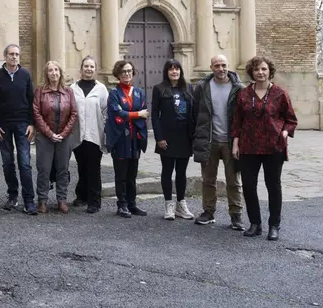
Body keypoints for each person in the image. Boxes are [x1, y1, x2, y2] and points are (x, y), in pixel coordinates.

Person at [232, 56, 297, 241]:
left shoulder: (280, 93)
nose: (260, 73)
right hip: (248, 146)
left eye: (263, 69)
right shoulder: (243, 94)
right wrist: (235, 143)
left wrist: (284, 133)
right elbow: (237, 121)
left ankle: (274, 225)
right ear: (251, 72)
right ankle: (255, 223)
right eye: (256, 70)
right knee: (249, 186)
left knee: (273, 186)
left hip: (273, 147)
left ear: (269, 71)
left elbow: (291, 120)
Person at [192, 54, 245, 230]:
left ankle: (236, 216)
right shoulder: (203, 87)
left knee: (234, 181)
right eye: (217, 65)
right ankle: (208, 211)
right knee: (208, 179)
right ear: (211, 67)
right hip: (210, 140)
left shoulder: (239, 88)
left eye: (223, 65)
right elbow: (196, 114)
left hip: (231, 141)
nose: (220, 69)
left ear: (228, 66)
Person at [0, 44, 37, 215]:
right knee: (7, 162)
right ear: (5, 56)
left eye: (17, 54)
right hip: (3, 126)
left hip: (23, 124)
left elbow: (32, 100)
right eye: (11, 54)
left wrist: (32, 123)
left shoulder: (25, 75)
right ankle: (12, 195)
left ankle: (29, 200)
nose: (14, 57)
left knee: (24, 163)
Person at [152, 59, 195, 220]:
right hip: (167, 136)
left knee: (182, 172)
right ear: (166, 72)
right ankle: (168, 204)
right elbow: (155, 115)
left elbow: (194, 112)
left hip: (185, 135)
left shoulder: (189, 88)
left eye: (177, 69)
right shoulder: (159, 89)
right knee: (167, 170)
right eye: (171, 69)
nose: (174, 72)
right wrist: (159, 137)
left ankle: (181, 204)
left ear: (181, 71)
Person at [104, 60, 149, 218]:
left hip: (134, 138)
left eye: (129, 71)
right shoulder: (114, 93)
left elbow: (144, 112)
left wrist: (129, 115)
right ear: (118, 74)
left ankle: (132, 204)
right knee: (121, 174)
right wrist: (136, 114)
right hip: (120, 139)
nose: (127, 74)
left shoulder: (138, 93)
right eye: (123, 71)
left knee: (132, 174)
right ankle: (121, 205)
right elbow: (117, 113)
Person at [33, 61, 78, 214]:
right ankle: (42, 200)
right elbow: (36, 113)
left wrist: (63, 134)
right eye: (50, 70)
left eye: (56, 70)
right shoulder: (40, 91)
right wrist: (50, 134)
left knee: (63, 169)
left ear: (60, 72)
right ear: (46, 74)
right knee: (44, 169)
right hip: (45, 137)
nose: (53, 73)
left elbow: (73, 113)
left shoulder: (68, 91)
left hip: (64, 137)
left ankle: (62, 199)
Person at [69, 56, 108, 214]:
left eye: (92, 66)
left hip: (94, 133)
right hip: (78, 134)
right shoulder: (72, 88)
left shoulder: (101, 89)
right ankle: (82, 195)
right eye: (86, 66)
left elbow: (106, 111)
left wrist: (105, 131)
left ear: (95, 69)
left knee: (94, 168)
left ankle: (94, 201)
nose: (89, 69)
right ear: (81, 69)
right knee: (81, 166)